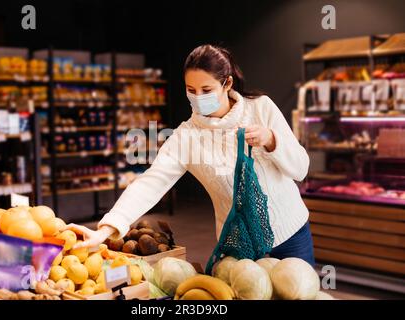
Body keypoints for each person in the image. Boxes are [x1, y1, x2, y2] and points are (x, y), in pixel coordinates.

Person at [64, 44, 315, 266]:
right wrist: (106, 228)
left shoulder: (260, 108)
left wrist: (272, 140)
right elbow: (151, 182)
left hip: (291, 234)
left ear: (227, 83)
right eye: (190, 90)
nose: (197, 98)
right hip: (240, 243)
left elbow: (301, 168)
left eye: (206, 89)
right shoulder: (186, 136)